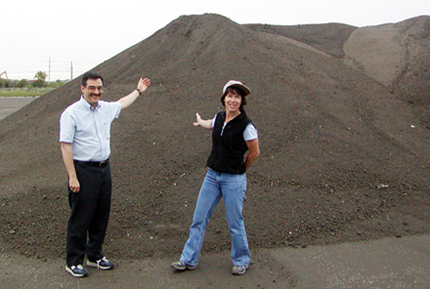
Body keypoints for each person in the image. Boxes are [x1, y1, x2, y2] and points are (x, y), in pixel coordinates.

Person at [59, 71, 150, 278]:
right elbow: (65, 146)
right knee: (81, 217)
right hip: (83, 171)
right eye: (91, 88)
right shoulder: (71, 113)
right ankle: (73, 261)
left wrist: (138, 91)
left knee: (101, 215)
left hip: (103, 169)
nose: (96, 92)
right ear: (83, 88)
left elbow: (122, 103)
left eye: (99, 88)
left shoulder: (105, 109)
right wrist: (72, 176)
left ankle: (94, 256)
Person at [171, 80, 260, 275]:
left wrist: (241, 169)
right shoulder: (220, 117)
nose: (233, 99)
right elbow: (211, 124)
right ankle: (188, 259)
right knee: (199, 218)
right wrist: (201, 122)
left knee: (235, 222)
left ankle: (241, 260)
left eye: (237, 96)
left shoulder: (246, 126)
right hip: (212, 176)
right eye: (230, 95)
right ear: (224, 98)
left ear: (241, 101)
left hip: (233, 180)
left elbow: (255, 152)